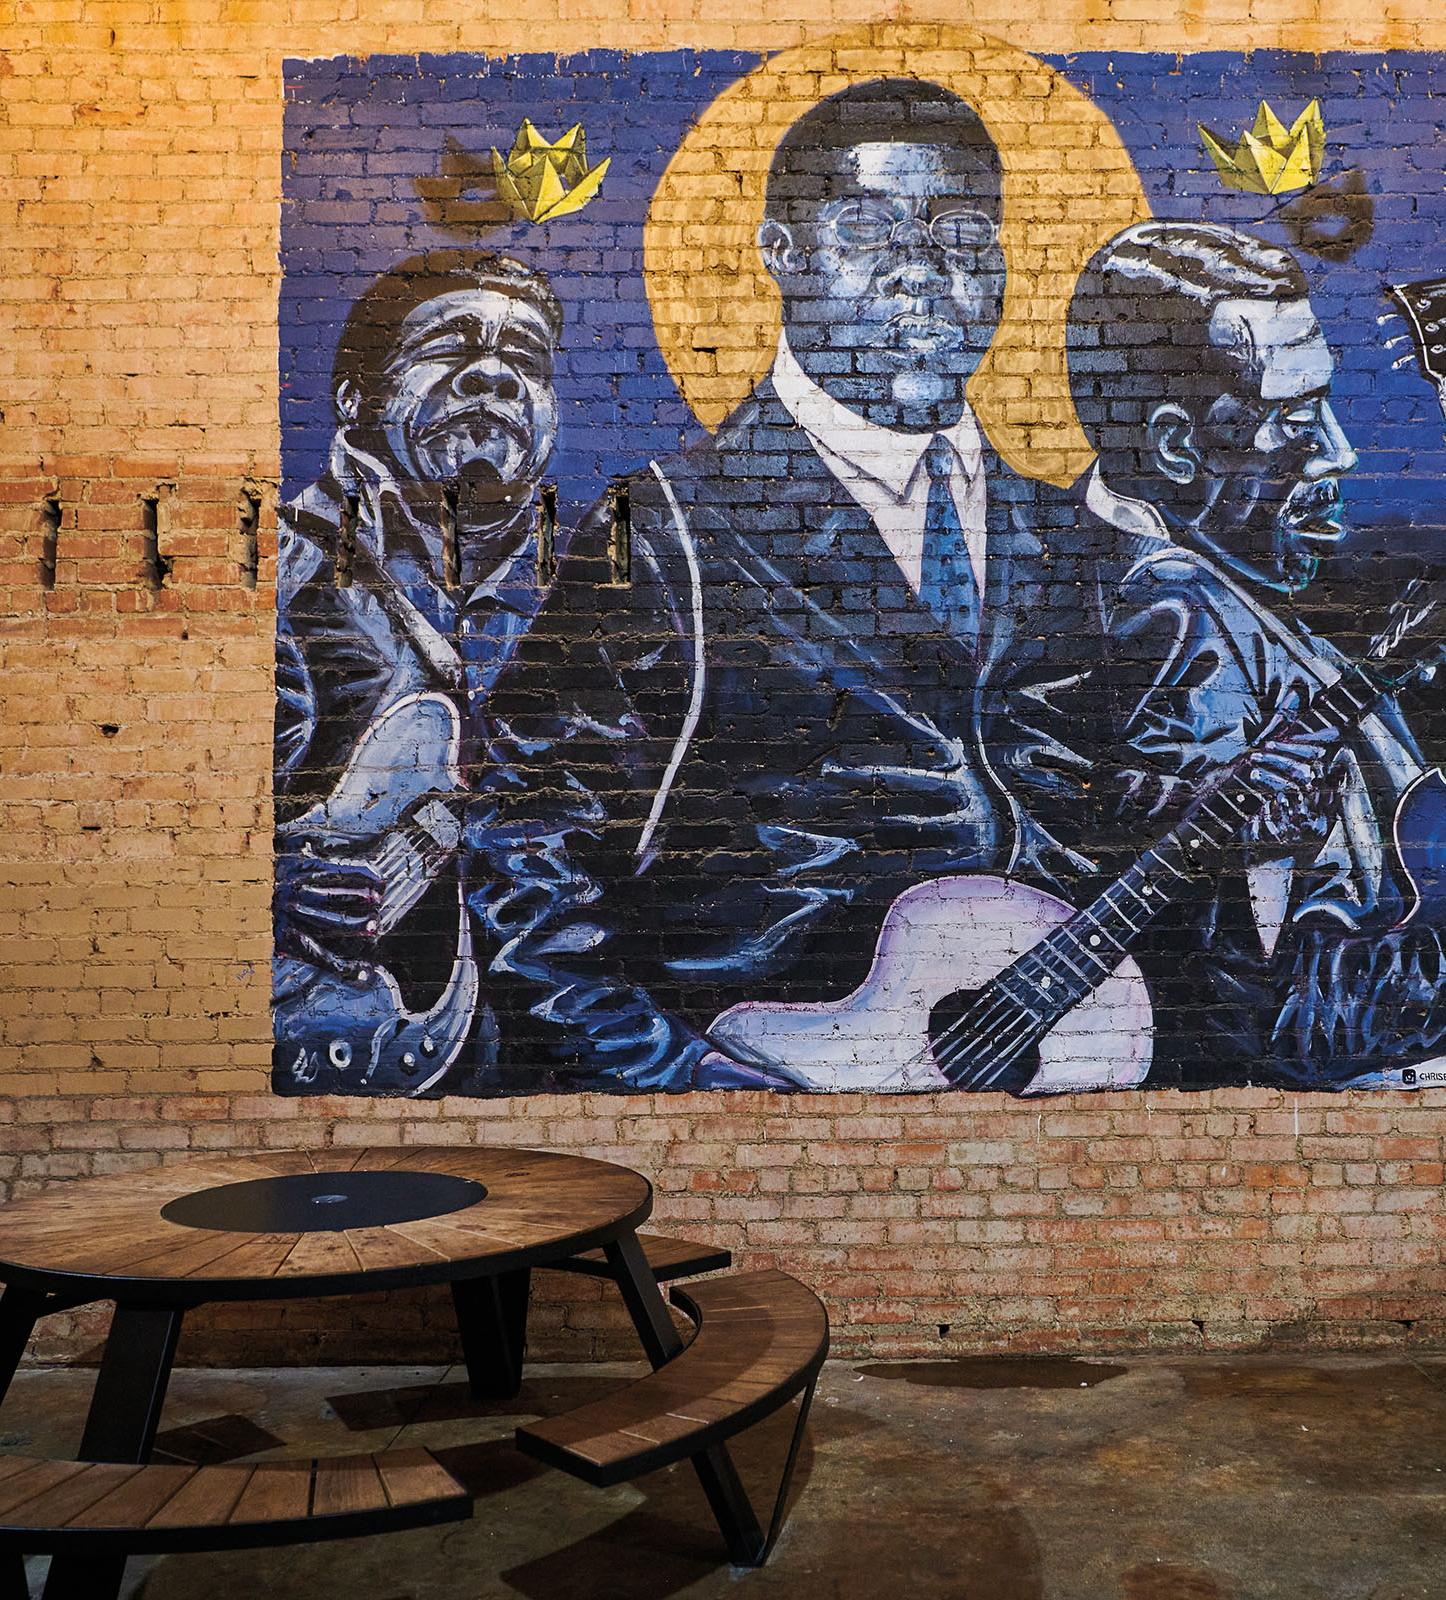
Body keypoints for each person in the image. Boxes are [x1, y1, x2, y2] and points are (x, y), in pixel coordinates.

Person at [467, 81, 1332, 1094]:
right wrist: (673, 1075)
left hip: (1062, 1086)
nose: (922, 270)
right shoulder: (662, 533)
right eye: (868, 228)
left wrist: (1231, 826)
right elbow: (521, 844)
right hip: (785, 1079)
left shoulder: (1081, 545)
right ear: (779, 255)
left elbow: (1083, 806)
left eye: (965, 233)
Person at [1066, 219, 1446, 1088]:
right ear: (1179, 448)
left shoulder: (1197, 583)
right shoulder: (1177, 625)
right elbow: (1284, 1018)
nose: (1339, 449)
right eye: (1295, 419)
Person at [271, 250, 563, 1095]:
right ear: (356, 400)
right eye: (452, 347)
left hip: (531, 1044)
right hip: (343, 1033)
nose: (497, 379)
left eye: (526, 363)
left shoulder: (591, 584)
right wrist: (272, 889)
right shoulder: (282, 567)